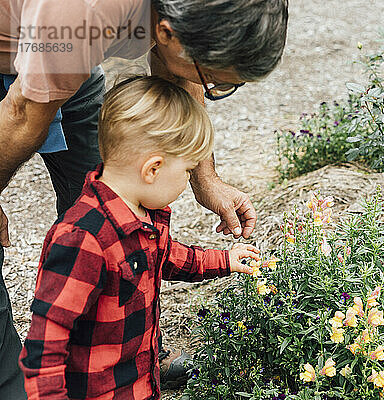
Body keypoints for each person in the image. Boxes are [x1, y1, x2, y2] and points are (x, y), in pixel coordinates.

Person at [0, 0, 288, 396]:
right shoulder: (81, 239)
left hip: (61, 48)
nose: (213, 90)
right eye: (216, 82)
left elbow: (160, 254)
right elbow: (20, 113)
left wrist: (209, 192)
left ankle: (123, 354)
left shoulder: (135, 215)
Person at [19, 76, 261, 399]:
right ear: (153, 169)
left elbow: (167, 255)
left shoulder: (143, 214)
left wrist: (225, 260)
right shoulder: (83, 239)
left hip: (138, 386)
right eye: (188, 170)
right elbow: (45, 349)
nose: (188, 180)